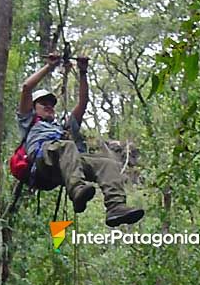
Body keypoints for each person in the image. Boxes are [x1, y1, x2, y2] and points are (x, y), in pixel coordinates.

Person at [17, 53, 144, 227]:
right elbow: (26, 87)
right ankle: (77, 191)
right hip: (42, 160)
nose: (49, 106)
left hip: (63, 164)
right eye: (43, 103)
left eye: (51, 104)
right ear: (33, 107)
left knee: (107, 163)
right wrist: (50, 66)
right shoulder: (28, 121)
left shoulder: (61, 126)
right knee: (67, 146)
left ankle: (116, 206)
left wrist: (83, 72)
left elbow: (83, 103)